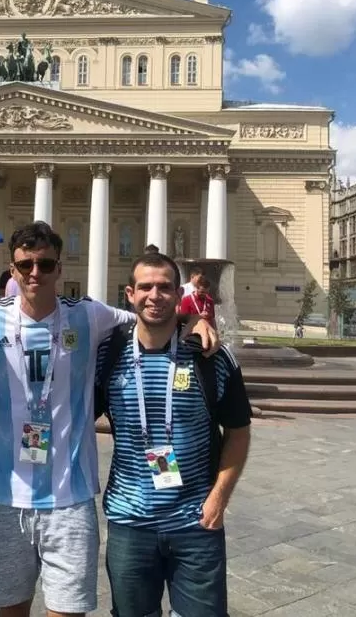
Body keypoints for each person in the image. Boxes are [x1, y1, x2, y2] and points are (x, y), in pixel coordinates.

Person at [0, 222, 218, 617]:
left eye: (44, 263)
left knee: (68, 612)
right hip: (3, 497)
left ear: (60, 267)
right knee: (12, 611)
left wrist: (193, 320)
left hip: (69, 499)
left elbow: (147, 317)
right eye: (25, 265)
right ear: (13, 267)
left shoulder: (89, 314)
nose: (34, 272)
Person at [96, 250, 252, 617]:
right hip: (129, 522)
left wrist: (217, 502)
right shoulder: (108, 353)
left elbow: (239, 431)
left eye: (165, 287)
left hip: (195, 523)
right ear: (129, 294)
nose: (155, 295)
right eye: (146, 287)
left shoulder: (211, 356)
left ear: (177, 294)